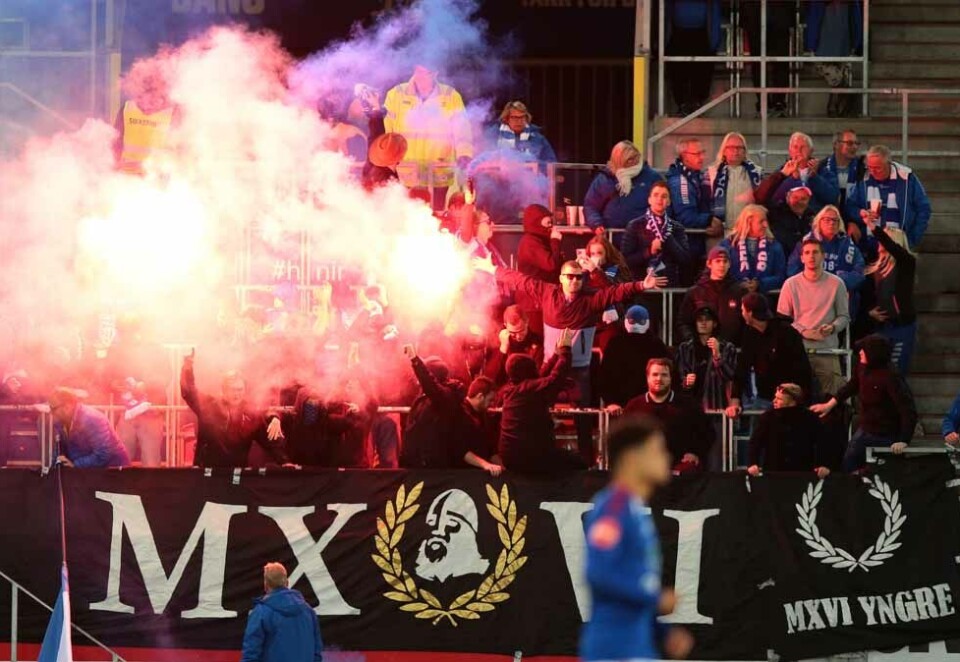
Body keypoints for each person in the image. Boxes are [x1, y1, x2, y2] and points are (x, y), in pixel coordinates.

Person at [474, 255, 668, 465]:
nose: (575, 281)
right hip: (550, 367)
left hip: (579, 369)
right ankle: (543, 458)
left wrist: (641, 284)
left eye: (578, 277)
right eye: (570, 277)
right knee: (539, 414)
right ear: (561, 278)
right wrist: (493, 268)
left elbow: (616, 292)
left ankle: (586, 464)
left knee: (583, 420)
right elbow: (521, 280)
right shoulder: (548, 292)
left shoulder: (591, 299)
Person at [580, 415, 694, 662]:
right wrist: (656, 598)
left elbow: (633, 586)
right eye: (658, 450)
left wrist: (664, 633)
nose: (667, 458)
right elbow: (598, 572)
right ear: (633, 458)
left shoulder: (633, 509)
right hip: (613, 650)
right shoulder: (613, 507)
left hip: (636, 646)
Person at [811, 334, 917, 472]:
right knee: (848, 464)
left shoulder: (890, 377)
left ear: (873, 353)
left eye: (864, 350)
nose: (860, 352)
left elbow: (907, 410)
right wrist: (829, 404)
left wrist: (903, 439)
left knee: (882, 471)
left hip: (887, 434)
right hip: (866, 429)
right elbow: (851, 386)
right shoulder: (862, 367)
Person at [180, 351, 291, 468]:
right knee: (210, 484)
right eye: (233, 390)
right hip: (208, 470)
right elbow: (188, 392)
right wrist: (187, 367)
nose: (237, 394)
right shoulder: (209, 406)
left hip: (237, 472)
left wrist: (285, 461)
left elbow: (269, 441)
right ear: (223, 390)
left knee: (237, 484)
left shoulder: (250, 412)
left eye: (240, 390)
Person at [383, 64, 473, 208]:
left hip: (440, 168)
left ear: (436, 73)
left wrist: (464, 154)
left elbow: (462, 129)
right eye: (419, 71)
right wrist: (389, 162)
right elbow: (387, 131)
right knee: (409, 213)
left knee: (437, 215)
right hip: (407, 167)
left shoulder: (450, 95)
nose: (421, 77)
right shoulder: (396, 94)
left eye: (427, 73)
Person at [400, 348, 502, 474]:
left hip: (432, 468)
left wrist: (415, 360)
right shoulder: (427, 398)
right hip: (418, 464)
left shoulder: (445, 396)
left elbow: (461, 448)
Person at [498, 328, 586, 473]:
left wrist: (555, 356)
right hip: (531, 455)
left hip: (512, 455)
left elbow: (540, 377)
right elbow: (556, 378)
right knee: (579, 462)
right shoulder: (528, 389)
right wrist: (565, 351)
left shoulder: (511, 389)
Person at [778, 238, 850, 397]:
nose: (811, 256)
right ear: (802, 257)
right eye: (807, 253)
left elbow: (844, 316)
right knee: (796, 398)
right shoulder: (790, 284)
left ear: (823, 256)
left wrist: (832, 328)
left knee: (832, 398)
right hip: (798, 351)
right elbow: (782, 319)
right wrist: (803, 331)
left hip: (828, 350)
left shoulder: (837, 283)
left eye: (815, 252)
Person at [727, 293, 813, 416]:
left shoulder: (786, 332)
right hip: (764, 397)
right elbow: (742, 368)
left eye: (742, 310)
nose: (741, 313)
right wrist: (735, 400)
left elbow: (802, 369)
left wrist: (797, 397)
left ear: (750, 313)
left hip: (789, 400)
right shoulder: (750, 334)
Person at [625, 358, 714, 473]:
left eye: (664, 375)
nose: (659, 379)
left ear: (670, 378)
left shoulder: (688, 405)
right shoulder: (634, 407)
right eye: (655, 374)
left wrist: (695, 453)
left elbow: (708, 433)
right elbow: (623, 439)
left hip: (679, 470)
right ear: (647, 378)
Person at [845, 144, 932, 251]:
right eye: (870, 167)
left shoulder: (906, 177)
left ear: (888, 164)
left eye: (877, 168)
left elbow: (924, 209)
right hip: (870, 244)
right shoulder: (864, 178)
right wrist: (861, 213)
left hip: (899, 245)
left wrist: (912, 239)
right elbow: (850, 206)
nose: (873, 171)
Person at [858, 222, 918, 375]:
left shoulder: (906, 263)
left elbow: (894, 249)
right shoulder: (873, 270)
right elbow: (865, 298)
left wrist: (873, 227)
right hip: (880, 328)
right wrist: (868, 312)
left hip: (901, 326)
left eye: (884, 239)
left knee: (896, 371)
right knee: (878, 372)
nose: (880, 242)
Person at [787, 205, 865, 319]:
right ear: (818, 222)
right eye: (827, 220)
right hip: (810, 294)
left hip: (838, 295)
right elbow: (792, 270)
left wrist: (839, 282)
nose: (831, 223)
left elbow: (860, 273)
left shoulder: (848, 245)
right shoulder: (806, 243)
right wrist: (815, 282)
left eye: (835, 220)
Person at [240, 562, 323, 662]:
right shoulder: (309, 611)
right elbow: (317, 653)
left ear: (265, 584)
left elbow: (251, 654)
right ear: (287, 582)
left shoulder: (261, 613)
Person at [584, 140, 663, 242]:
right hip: (612, 239)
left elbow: (664, 206)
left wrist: (657, 228)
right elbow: (590, 206)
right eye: (630, 159)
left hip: (642, 239)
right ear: (619, 160)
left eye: (636, 157)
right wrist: (596, 224)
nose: (634, 161)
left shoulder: (652, 177)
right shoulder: (604, 179)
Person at [747, 383, 831, 477]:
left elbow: (823, 443)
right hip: (773, 473)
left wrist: (823, 465)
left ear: (792, 401)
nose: (774, 401)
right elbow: (755, 443)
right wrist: (753, 463)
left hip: (802, 474)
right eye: (775, 397)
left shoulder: (810, 418)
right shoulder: (767, 418)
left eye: (779, 399)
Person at [622, 181, 692, 288]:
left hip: (669, 285)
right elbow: (625, 260)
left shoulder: (677, 227)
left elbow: (685, 259)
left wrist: (669, 239)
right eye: (656, 195)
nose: (659, 199)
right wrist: (649, 252)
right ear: (649, 199)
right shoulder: (635, 225)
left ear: (668, 202)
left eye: (664, 196)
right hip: (642, 285)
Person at [114, 59, 178, 175]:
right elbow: (115, 144)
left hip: (158, 181)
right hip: (127, 180)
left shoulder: (174, 114)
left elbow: (182, 150)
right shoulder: (127, 109)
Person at [598, 306, 670, 409]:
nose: (636, 324)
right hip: (621, 406)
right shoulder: (616, 343)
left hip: (650, 405)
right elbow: (605, 376)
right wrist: (611, 402)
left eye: (640, 321)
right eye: (632, 321)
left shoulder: (656, 345)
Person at [667, 137, 725, 263]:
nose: (702, 157)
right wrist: (709, 220)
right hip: (686, 248)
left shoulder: (695, 175)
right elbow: (686, 217)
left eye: (703, 152)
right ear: (684, 156)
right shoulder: (680, 181)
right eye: (697, 154)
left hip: (694, 245)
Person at [806, 1, 864, 117]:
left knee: (834, 72)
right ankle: (842, 101)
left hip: (838, 38)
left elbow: (855, 18)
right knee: (833, 72)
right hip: (833, 37)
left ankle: (838, 104)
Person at [677, 245, 745, 344]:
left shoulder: (739, 292)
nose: (722, 265)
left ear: (729, 264)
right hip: (702, 350)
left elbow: (746, 322)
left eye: (725, 261)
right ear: (709, 264)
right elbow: (683, 322)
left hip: (731, 349)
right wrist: (692, 340)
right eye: (718, 261)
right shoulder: (695, 292)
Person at [757, 133, 839, 215]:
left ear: (811, 151)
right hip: (786, 220)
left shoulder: (823, 171)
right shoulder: (781, 173)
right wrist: (790, 178)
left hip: (815, 219)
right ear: (790, 151)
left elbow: (832, 198)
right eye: (795, 147)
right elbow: (771, 199)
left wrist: (815, 178)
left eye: (803, 147)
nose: (799, 151)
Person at [49, 387, 130, 468]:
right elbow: (59, 450)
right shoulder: (61, 422)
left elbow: (103, 453)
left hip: (114, 470)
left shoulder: (92, 419)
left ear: (67, 407)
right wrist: (52, 469)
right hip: (89, 470)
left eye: (53, 408)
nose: (51, 412)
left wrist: (76, 464)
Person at [666, 0, 722, 115]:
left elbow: (715, 9)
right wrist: (663, 40)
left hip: (702, 33)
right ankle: (682, 105)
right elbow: (666, 10)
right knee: (677, 71)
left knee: (701, 71)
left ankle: (697, 104)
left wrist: (714, 40)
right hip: (678, 33)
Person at [676, 306, 737, 412]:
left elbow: (730, 376)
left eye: (707, 319)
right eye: (700, 320)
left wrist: (717, 355)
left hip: (717, 407)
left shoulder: (727, 348)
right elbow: (677, 379)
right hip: (691, 408)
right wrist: (686, 381)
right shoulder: (685, 348)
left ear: (715, 323)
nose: (703, 323)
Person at [516, 203, 563, 333]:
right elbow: (551, 264)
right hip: (533, 304)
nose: (551, 227)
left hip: (541, 301)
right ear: (536, 223)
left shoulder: (539, 240)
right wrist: (555, 241)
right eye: (547, 223)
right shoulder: (530, 242)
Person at [740, 0, 793, 116]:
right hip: (755, 17)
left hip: (779, 17)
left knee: (781, 63)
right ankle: (763, 103)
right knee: (758, 63)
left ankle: (779, 102)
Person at [582, 235, 633, 351]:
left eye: (599, 253)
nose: (595, 257)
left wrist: (595, 272)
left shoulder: (616, 270)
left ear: (607, 254)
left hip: (611, 321)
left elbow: (613, 292)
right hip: (589, 319)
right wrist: (578, 272)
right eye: (592, 254)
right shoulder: (585, 273)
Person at [720, 204, 787, 294]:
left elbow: (781, 276)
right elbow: (719, 273)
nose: (765, 225)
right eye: (761, 221)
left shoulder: (774, 246)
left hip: (764, 299)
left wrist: (760, 284)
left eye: (766, 221)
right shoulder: (728, 245)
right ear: (748, 222)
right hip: (734, 296)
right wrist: (738, 284)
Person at [707, 132, 761, 241]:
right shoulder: (712, 173)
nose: (735, 151)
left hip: (748, 233)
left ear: (744, 151)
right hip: (720, 234)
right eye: (731, 147)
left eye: (739, 147)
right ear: (724, 150)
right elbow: (704, 201)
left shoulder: (757, 173)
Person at [487, 306, 545, 387]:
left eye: (521, 331)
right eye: (513, 333)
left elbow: (536, 376)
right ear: (505, 326)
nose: (518, 337)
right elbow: (490, 379)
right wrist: (503, 349)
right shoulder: (499, 340)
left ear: (527, 322)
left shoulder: (537, 343)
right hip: (504, 389)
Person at [488, 100, 556, 163]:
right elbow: (484, 158)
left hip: (530, 175)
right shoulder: (494, 135)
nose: (519, 121)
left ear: (526, 118)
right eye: (514, 117)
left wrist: (530, 162)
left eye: (522, 117)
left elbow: (551, 162)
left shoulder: (538, 138)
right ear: (506, 118)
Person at [761, 185, 815, 258]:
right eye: (795, 197)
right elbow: (762, 197)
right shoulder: (777, 212)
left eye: (803, 199)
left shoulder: (812, 216)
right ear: (787, 198)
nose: (799, 202)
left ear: (808, 201)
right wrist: (782, 175)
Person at [821, 130, 865, 215]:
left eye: (857, 143)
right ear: (836, 144)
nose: (855, 147)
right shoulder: (822, 167)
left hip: (855, 219)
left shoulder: (862, 168)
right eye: (850, 143)